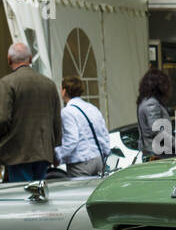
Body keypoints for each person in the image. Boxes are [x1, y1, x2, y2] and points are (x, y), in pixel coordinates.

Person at [0, 42, 62, 182]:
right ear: (30, 58)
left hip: (17, 153)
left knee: (22, 197)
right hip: (43, 152)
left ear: (9, 59)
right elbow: (56, 120)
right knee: (39, 196)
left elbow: (2, 119)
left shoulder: (6, 83)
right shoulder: (49, 84)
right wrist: (55, 147)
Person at [55, 76, 110, 176]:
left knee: (80, 191)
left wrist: (58, 155)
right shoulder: (92, 108)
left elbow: (71, 141)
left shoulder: (67, 112)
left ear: (64, 91)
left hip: (80, 162)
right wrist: (106, 153)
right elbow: (103, 134)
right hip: (98, 159)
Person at [137, 68, 176, 160]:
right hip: (158, 154)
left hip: (152, 152)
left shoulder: (144, 101)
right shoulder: (151, 103)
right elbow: (157, 131)